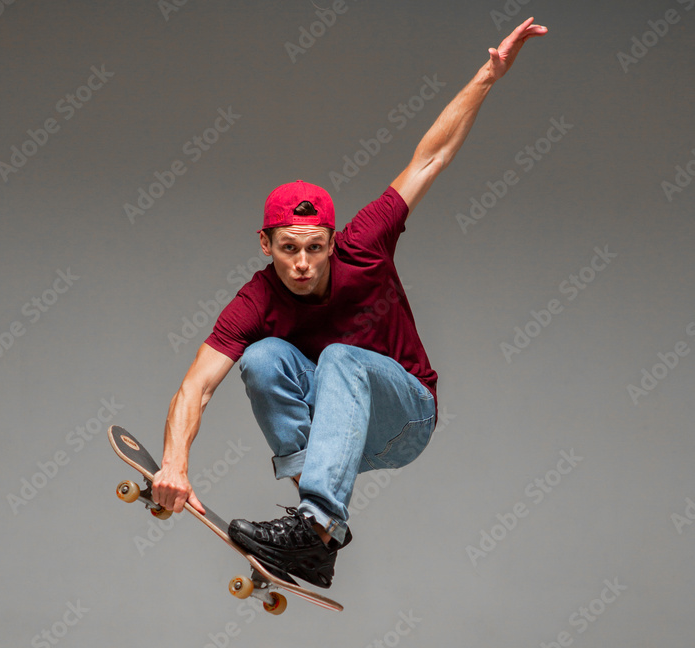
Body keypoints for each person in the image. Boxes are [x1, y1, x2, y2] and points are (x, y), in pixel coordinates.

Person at [152, 16, 547, 588]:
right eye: (288, 250)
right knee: (260, 359)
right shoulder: (255, 300)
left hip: (405, 415)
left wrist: (488, 74)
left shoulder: (368, 241)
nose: (303, 264)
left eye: (315, 248)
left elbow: (430, 158)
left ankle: (314, 524)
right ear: (265, 244)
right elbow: (197, 386)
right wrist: (174, 466)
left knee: (339, 355)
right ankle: (318, 535)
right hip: (334, 425)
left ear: (335, 241)